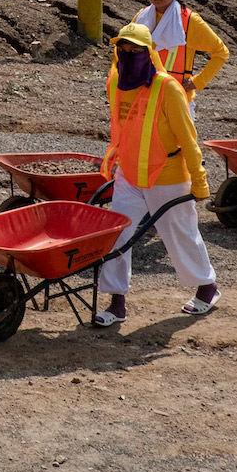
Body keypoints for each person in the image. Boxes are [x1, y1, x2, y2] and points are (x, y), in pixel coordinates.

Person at [91, 22, 217, 327]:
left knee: (180, 234)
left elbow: (188, 139)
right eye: (123, 49)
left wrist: (199, 181)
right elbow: (120, 130)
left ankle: (207, 287)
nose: (128, 54)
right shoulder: (117, 83)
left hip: (168, 175)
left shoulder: (168, 88)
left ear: (149, 53)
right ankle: (117, 303)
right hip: (130, 176)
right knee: (118, 234)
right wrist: (113, 161)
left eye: (135, 49)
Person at [133, 0, 230, 103]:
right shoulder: (141, 17)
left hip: (177, 98)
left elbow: (221, 52)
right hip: (144, 95)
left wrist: (198, 81)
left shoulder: (190, 21)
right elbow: (124, 50)